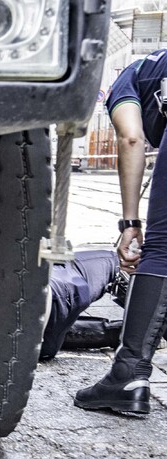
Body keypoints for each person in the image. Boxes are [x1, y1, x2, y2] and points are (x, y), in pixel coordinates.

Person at [74, 49, 167, 415]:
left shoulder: (126, 78)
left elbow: (131, 138)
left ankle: (129, 373)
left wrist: (130, 224)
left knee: (162, 249)